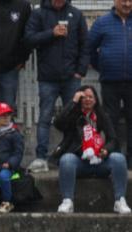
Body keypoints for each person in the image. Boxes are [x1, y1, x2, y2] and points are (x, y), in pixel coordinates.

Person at [23, 0, 88, 173]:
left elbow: (85, 44)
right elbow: (28, 38)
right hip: (47, 78)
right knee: (44, 118)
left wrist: (80, 71)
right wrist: (51, 33)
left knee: (75, 119)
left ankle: (71, 155)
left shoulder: (77, 14)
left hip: (71, 78)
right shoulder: (38, 13)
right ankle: (41, 157)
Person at [53, 85, 130, 214]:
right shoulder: (73, 115)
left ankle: (120, 200)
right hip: (79, 160)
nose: (88, 99)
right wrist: (73, 102)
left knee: (119, 158)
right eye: (84, 97)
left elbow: (113, 139)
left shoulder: (102, 115)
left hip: (99, 160)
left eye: (91, 97)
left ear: (95, 100)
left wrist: (106, 150)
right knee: (66, 159)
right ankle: (67, 201)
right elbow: (58, 123)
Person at [86, 0, 132, 162]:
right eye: (123, 0)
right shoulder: (102, 23)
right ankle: (115, 157)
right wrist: (103, 66)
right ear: (115, 1)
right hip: (110, 81)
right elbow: (89, 48)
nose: (127, 4)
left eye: (130, 1)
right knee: (110, 120)